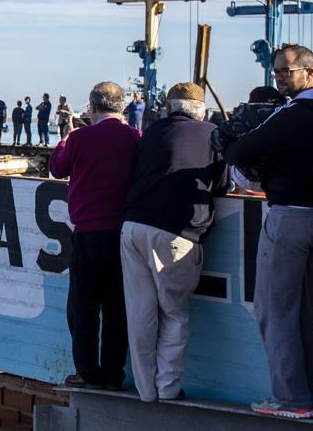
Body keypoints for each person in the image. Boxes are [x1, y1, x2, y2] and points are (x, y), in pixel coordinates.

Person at [217, 45, 313, 420]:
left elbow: (239, 153)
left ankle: (291, 399)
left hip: (290, 217)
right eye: (277, 73)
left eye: (286, 72)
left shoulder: (290, 115)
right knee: (301, 310)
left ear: (310, 71)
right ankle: (301, 394)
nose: (279, 79)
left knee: (274, 309)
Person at [120, 82, 223, 403]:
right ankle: (167, 388)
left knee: (140, 313)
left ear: (168, 108)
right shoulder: (212, 134)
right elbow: (220, 182)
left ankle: (145, 390)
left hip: (133, 226)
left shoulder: (152, 132)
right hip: (177, 232)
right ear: (202, 110)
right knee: (174, 314)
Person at [48, 82, 142, 390]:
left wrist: (67, 135)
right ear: (122, 106)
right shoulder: (136, 138)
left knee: (83, 306)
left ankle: (88, 371)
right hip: (124, 233)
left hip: (88, 232)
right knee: (117, 307)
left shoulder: (80, 137)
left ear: (92, 107)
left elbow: (57, 169)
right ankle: (113, 374)